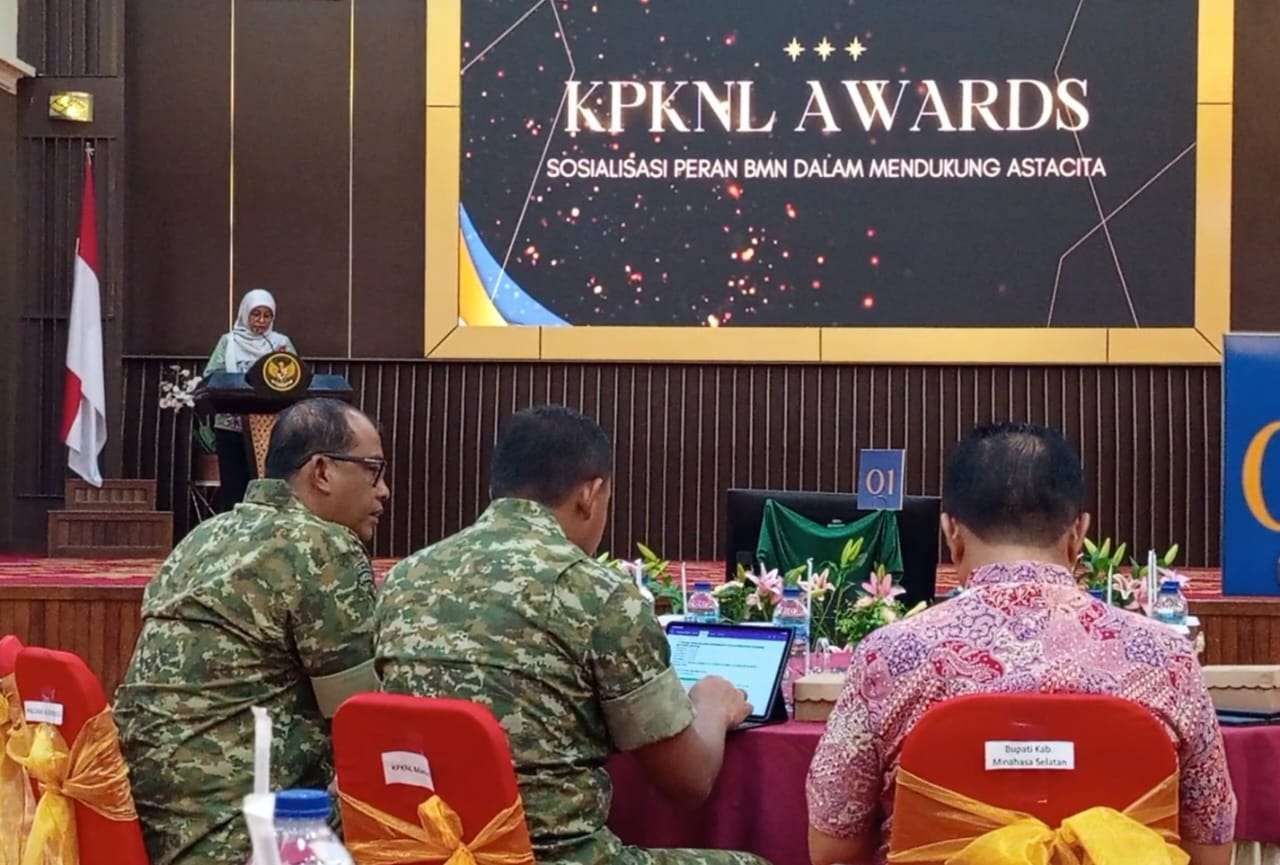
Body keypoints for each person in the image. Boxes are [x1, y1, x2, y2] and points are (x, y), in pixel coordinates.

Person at [806, 422, 1236, 865]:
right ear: (1078, 534)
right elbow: (1210, 848)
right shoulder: (1168, 659)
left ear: (952, 532)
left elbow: (833, 847)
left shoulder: (889, 656)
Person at [377, 405, 767, 865]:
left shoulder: (404, 578)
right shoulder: (597, 594)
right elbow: (687, 781)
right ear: (590, 494)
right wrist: (713, 703)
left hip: (419, 851)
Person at [115, 398, 389, 865]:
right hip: (245, 835)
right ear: (322, 472)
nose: (383, 490)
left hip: (146, 824)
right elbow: (362, 717)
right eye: (373, 470)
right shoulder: (322, 545)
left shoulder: (203, 537)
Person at [204, 288, 297, 511]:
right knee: (235, 488)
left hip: (272, 428)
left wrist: (281, 358)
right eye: (256, 314)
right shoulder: (229, 342)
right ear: (245, 313)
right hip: (232, 425)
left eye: (267, 316)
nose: (261, 321)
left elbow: (295, 379)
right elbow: (211, 376)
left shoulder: (281, 343)